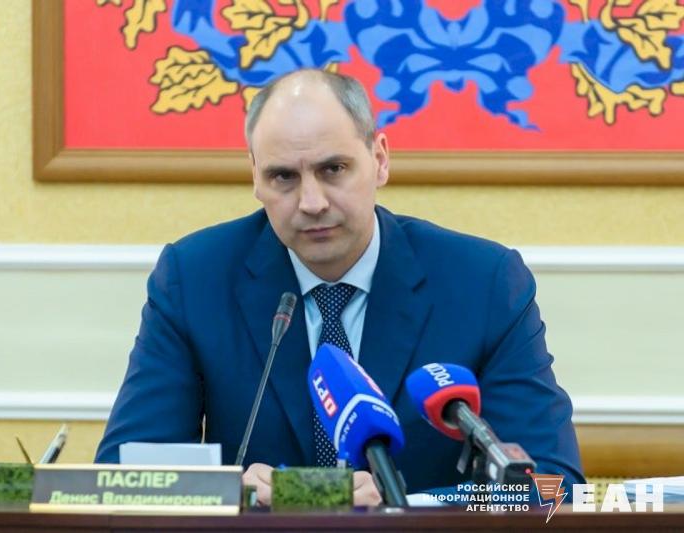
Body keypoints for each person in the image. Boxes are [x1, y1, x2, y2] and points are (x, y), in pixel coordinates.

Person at [95, 69, 585, 505]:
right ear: (255, 179)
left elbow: (552, 485)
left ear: (380, 159)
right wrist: (236, 494)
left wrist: (401, 504)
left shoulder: (483, 282)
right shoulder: (194, 278)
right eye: (283, 177)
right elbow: (125, 476)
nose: (311, 202)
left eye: (333, 170)